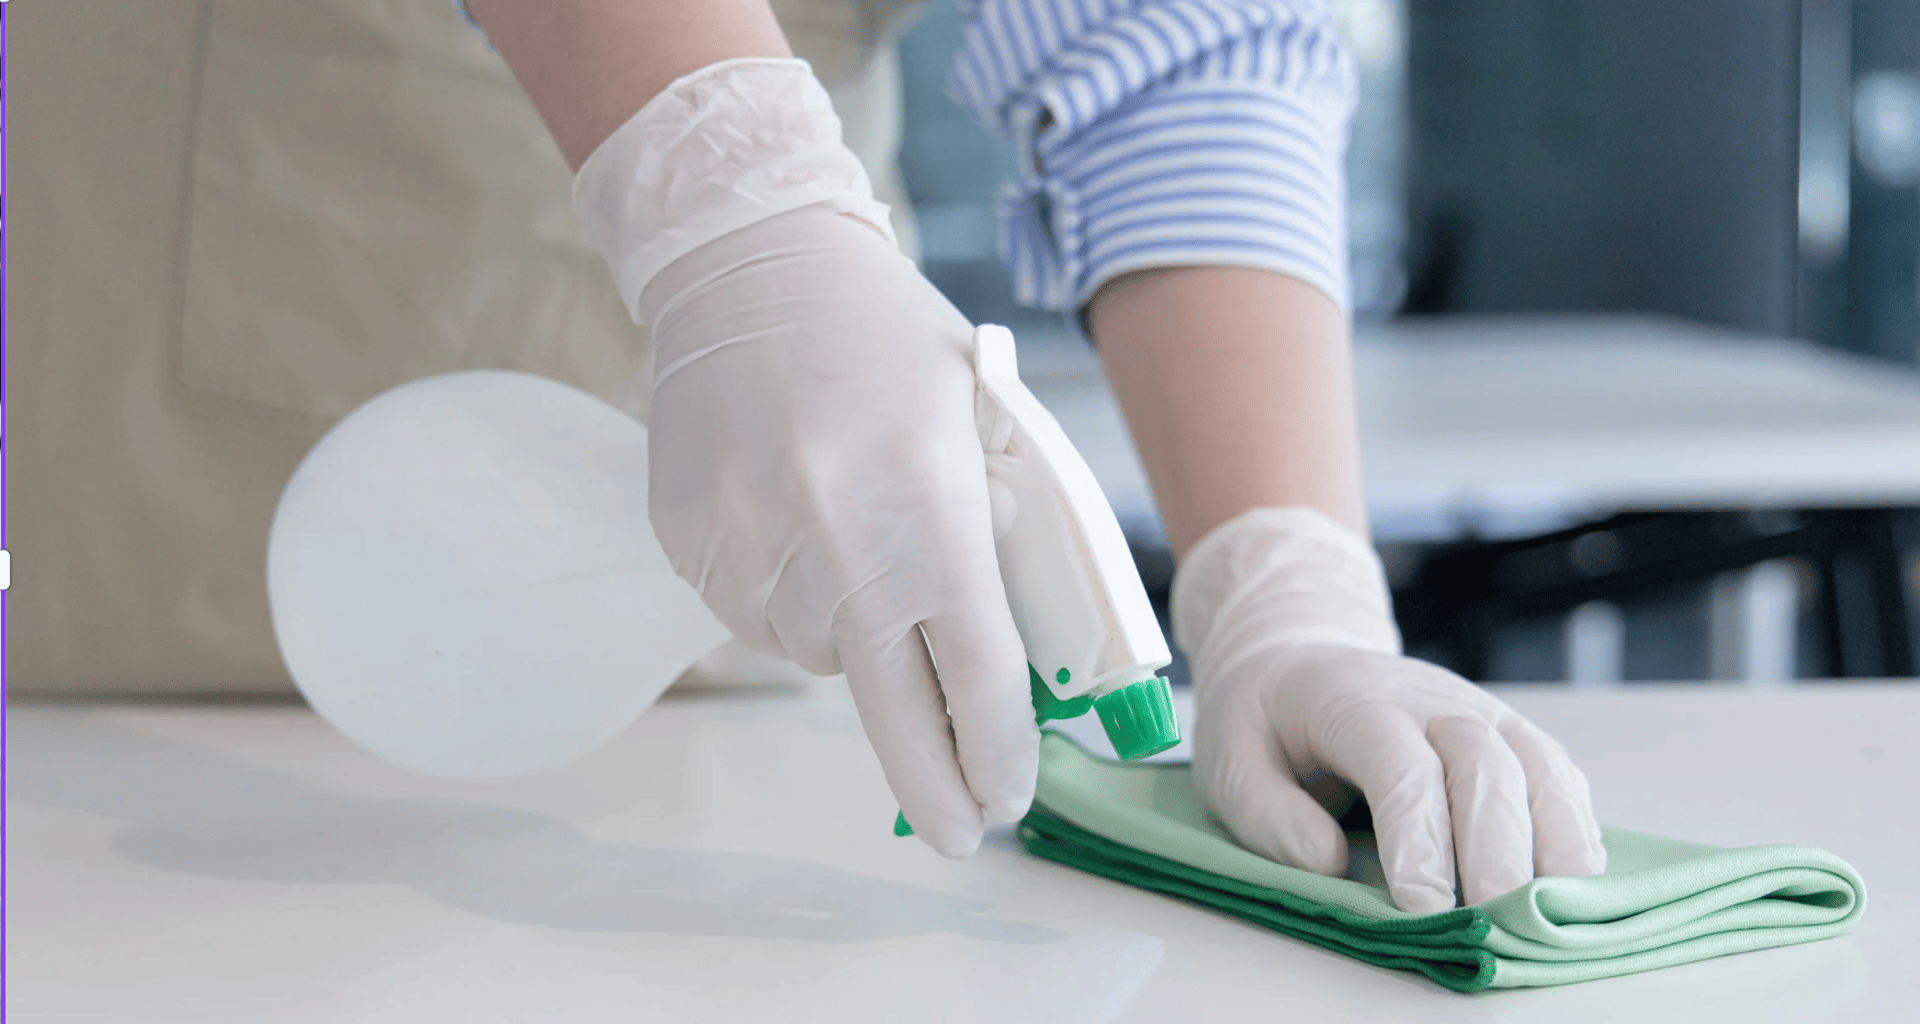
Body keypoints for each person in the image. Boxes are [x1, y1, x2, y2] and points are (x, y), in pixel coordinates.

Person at [460, 0, 1606, 915]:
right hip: (344, 593)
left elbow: (1174, 48)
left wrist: (1288, 580)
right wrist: (730, 214)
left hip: (804, 680)